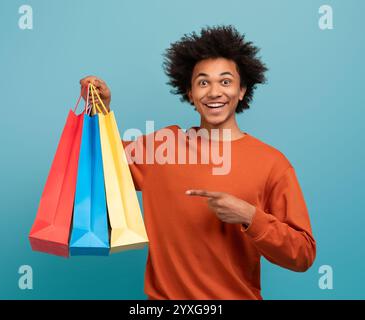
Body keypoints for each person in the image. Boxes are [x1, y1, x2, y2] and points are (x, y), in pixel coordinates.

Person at [80, 25, 316, 300]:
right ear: (190, 93)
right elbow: (102, 165)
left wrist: (251, 217)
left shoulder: (272, 164)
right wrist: (99, 110)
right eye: (203, 82)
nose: (214, 92)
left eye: (225, 82)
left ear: (241, 91)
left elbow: (302, 255)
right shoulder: (161, 148)